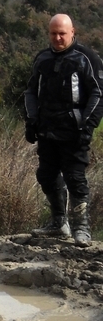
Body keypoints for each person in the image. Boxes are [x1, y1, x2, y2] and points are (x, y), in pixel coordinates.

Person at [24, 13, 103, 247]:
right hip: (47, 130)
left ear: (72, 32)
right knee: (45, 176)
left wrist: (87, 126)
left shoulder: (86, 58)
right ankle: (59, 223)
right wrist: (31, 120)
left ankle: (82, 228)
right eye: (53, 33)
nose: (58, 37)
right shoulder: (42, 58)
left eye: (62, 33)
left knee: (75, 178)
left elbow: (99, 93)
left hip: (75, 131)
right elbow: (30, 91)